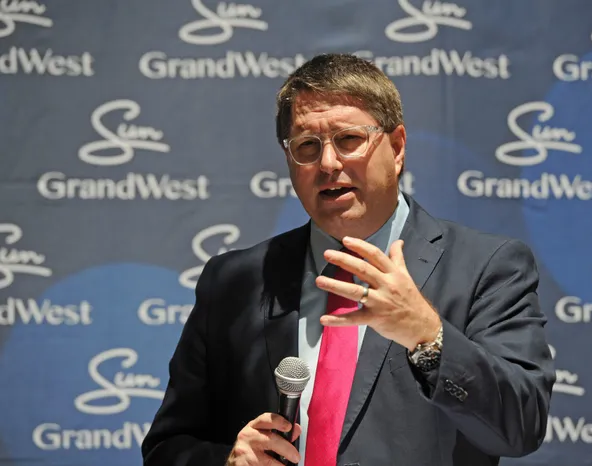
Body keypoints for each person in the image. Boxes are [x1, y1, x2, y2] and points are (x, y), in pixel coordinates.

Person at [142, 53, 555, 466]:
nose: (327, 163)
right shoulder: (234, 281)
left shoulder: (487, 267)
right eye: (307, 145)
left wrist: (427, 335)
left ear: (396, 147)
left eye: (349, 140)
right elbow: (167, 448)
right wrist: (228, 461)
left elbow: (521, 425)